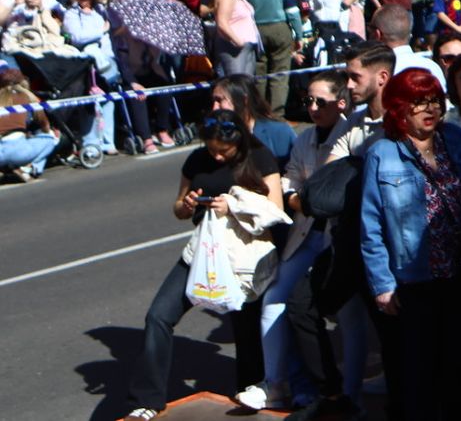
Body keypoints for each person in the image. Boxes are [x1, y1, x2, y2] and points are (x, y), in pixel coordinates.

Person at [125, 110, 284, 421]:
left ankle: (251, 392)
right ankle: (146, 400)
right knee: (158, 315)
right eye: (211, 149)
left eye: (224, 151)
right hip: (202, 251)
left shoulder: (260, 158)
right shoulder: (196, 160)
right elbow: (178, 208)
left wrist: (233, 206)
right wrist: (186, 205)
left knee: (246, 326)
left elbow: (275, 209)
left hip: (243, 256)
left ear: (239, 141)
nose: (217, 156)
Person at [358, 68, 461, 421]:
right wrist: (383, 285)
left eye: (434, 100)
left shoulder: (454, 139)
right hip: (413, 279)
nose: (430, 109)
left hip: (460, 272)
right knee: (418, 376)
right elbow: (370, 227)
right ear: (400, 108)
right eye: (419, 102)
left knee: (460, 366)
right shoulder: (382, 154)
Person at [244, 70, 349, 413]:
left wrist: (308, 197)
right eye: (309, 101)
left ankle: (347, 390)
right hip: (307, 233)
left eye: (322, 101)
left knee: (350, 317)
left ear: (341, 102)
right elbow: (290, 179)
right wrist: (294, 198)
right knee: (274, 298)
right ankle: (276, 383)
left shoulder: (352, 134)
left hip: (341, 237)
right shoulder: (303, 139)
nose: (314, 107)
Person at [242, 0, 298, 116]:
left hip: (255, 30)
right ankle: (276, 114)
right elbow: (293, 11)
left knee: (259, 73)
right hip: (280, 28)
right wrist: (299, 34)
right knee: (279, 74)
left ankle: (260, 113)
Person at [211, 75, 297, 168]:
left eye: (219, 100)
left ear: (244, 100)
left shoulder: (279, 132)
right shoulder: (214, 136)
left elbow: (297, 170)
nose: (214, 108)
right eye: (213, 101)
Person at [211, 0, 261, 79]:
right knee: (236, 84)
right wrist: (237, 41)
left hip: (246, 46)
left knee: (246, 85)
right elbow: (222, 22)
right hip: (234, 47)